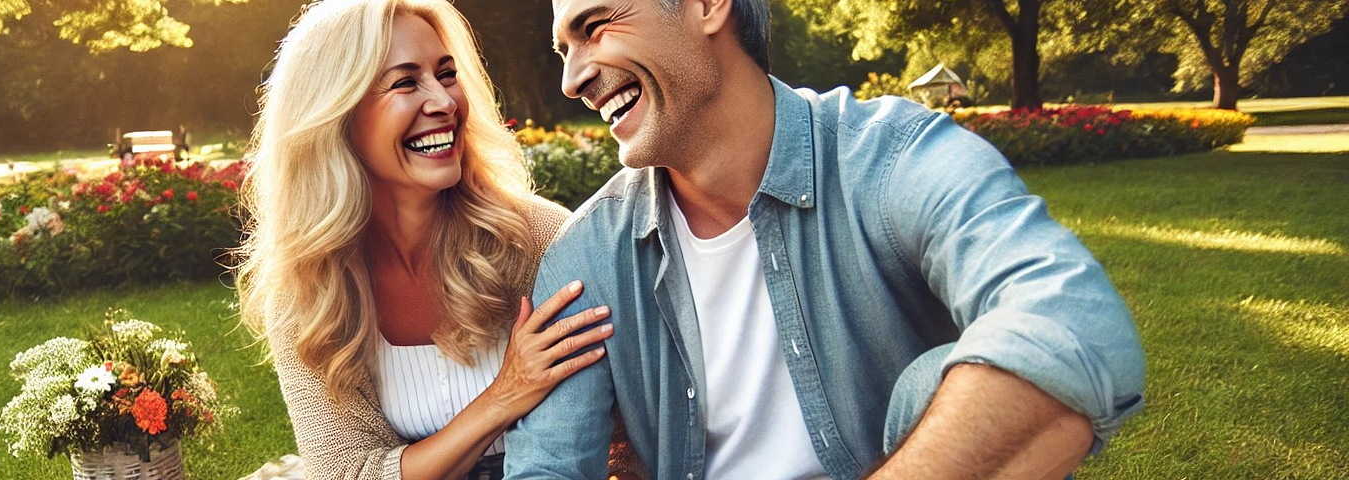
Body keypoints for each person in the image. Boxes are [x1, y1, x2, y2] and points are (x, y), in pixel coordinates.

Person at [503, 0, 1147, 479]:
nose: (572, 80)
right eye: (563, 50)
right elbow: (547, 469)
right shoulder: (588, 256)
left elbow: (1074, 323)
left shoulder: (891, 158)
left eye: (594, 27)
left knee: (958, 389)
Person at [234, 1, 638, 478]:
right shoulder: (307, 292)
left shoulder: (541, 237)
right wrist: (504, 396)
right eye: (406, 82)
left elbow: (628, 423)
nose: (445, 102)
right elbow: (345, 470)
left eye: (446, 74)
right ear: (337, 116)